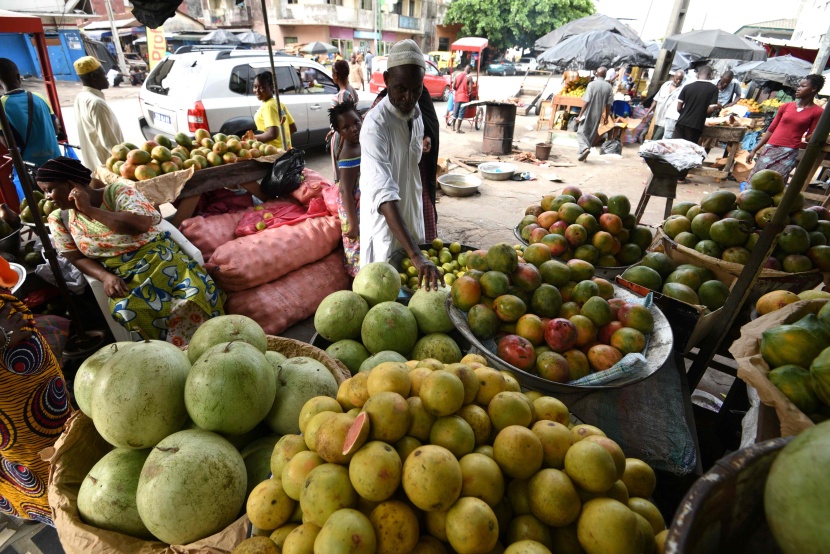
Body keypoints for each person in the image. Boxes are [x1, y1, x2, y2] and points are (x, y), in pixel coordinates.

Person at [38, 157, 224, 343]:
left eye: (49, 190)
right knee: (129, 310)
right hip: (124, 276)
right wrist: (105, 277)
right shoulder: (59, 219)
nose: (47, 197)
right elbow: (75, 257)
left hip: (161, 260)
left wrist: (89, 210)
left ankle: (211, 343)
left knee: (196, 293)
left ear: (71, 185)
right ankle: (168, 356)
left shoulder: (118, 192)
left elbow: (140, 224)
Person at [359, 39, 440, 289]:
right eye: (400, 88)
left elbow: (411, 165)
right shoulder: (375, 126)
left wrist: (417, 249)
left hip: (411, 223)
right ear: (386, 80)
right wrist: (415, 255)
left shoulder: (416, 117)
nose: (408, 97)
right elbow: (383, 194)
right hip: (386, 226)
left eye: (416, 89)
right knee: (385, 298)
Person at [0, 260, 71, 526]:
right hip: (14, 417)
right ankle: (65, 519)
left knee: (69, 447)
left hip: (39, 394)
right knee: (46, 475)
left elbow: (6, 276)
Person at [746, 74, 826, 182]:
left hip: (789, 152)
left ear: (814, 89)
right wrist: (754, 150)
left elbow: (808, 138)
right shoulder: (786, 106)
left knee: (776, 183)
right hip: (771, 148)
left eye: (803, 86)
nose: (798, 89)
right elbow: (771, 129)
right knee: (756, 180)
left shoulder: (817, 112)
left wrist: (820, 132)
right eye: (799, 86)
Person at [0, 58, 62, 170]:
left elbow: (7, 142)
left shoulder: (2, 105)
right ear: (18, 76)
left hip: (31, 168)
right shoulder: (40, 97)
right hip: (56, 162)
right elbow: (55, 129)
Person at [73, 56, 125, 172]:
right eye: (103, 74)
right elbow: (111, 144)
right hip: (108, 166)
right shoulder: (96, 103)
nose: (106, 78)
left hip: (95, 165)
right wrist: (126, 164)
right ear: (94, 77)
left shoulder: (81, 97)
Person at [329, 98, 362, 276]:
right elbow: (345, 191)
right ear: (339, 132)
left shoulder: (359, 145)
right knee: (356, 250)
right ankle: (355, 282)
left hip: (358, 206)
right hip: (352, 211)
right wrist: (353, 223)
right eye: (346, 127)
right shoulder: (349, 152)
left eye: (356, 122)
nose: (354, 129)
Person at [248, 71, 296, 151]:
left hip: (273, 153)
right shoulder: (279, 104)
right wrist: (281, 141)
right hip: (285, 150)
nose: (257, 90)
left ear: (271, 87)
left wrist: (251, 138)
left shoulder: (268, 106)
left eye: (261, 87)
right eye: (255, 87)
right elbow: (293, 128)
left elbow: (272, 134)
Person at [575, 66, 613, 162]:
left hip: (588, 112)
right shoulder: (609, 86)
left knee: (580, 132)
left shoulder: (591, 84)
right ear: (605, 75)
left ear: (596, 73)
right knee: (591, 134)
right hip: (598, 113)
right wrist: (606, 117)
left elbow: (586, 101)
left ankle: (584, 149)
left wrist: (580, 115)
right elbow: (609, 104)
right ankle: (583, 155)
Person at [674, 65, 719, 144]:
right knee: (689, 150)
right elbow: (711, 109)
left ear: (698, 74)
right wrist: (700, 114)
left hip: (681, 122)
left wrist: (686, 113)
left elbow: (679, 108)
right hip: (696, 125)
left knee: (676, 148)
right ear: (710, 75)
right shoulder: (713, 89)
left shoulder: (687, 87)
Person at [648, 70, 685, 140]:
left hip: (668, 119)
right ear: (673, 77)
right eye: (677, 78)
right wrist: (648, 112)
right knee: (653, 135)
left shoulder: (682, 89)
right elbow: (656, 100)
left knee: (657, 138)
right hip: (657, 117)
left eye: (681, 79)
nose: (678, 81)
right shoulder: (665, 85)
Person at [451, 65, 472, 134]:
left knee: (456, 111)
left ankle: (453, 127)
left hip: (457, 96)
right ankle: (458, 129)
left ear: (464, 69)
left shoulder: (457, 75)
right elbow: (470, 90)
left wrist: (458, 90)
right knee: (461, 113)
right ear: (469, 70)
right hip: (464, 97)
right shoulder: (469, 77)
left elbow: (453, 86)